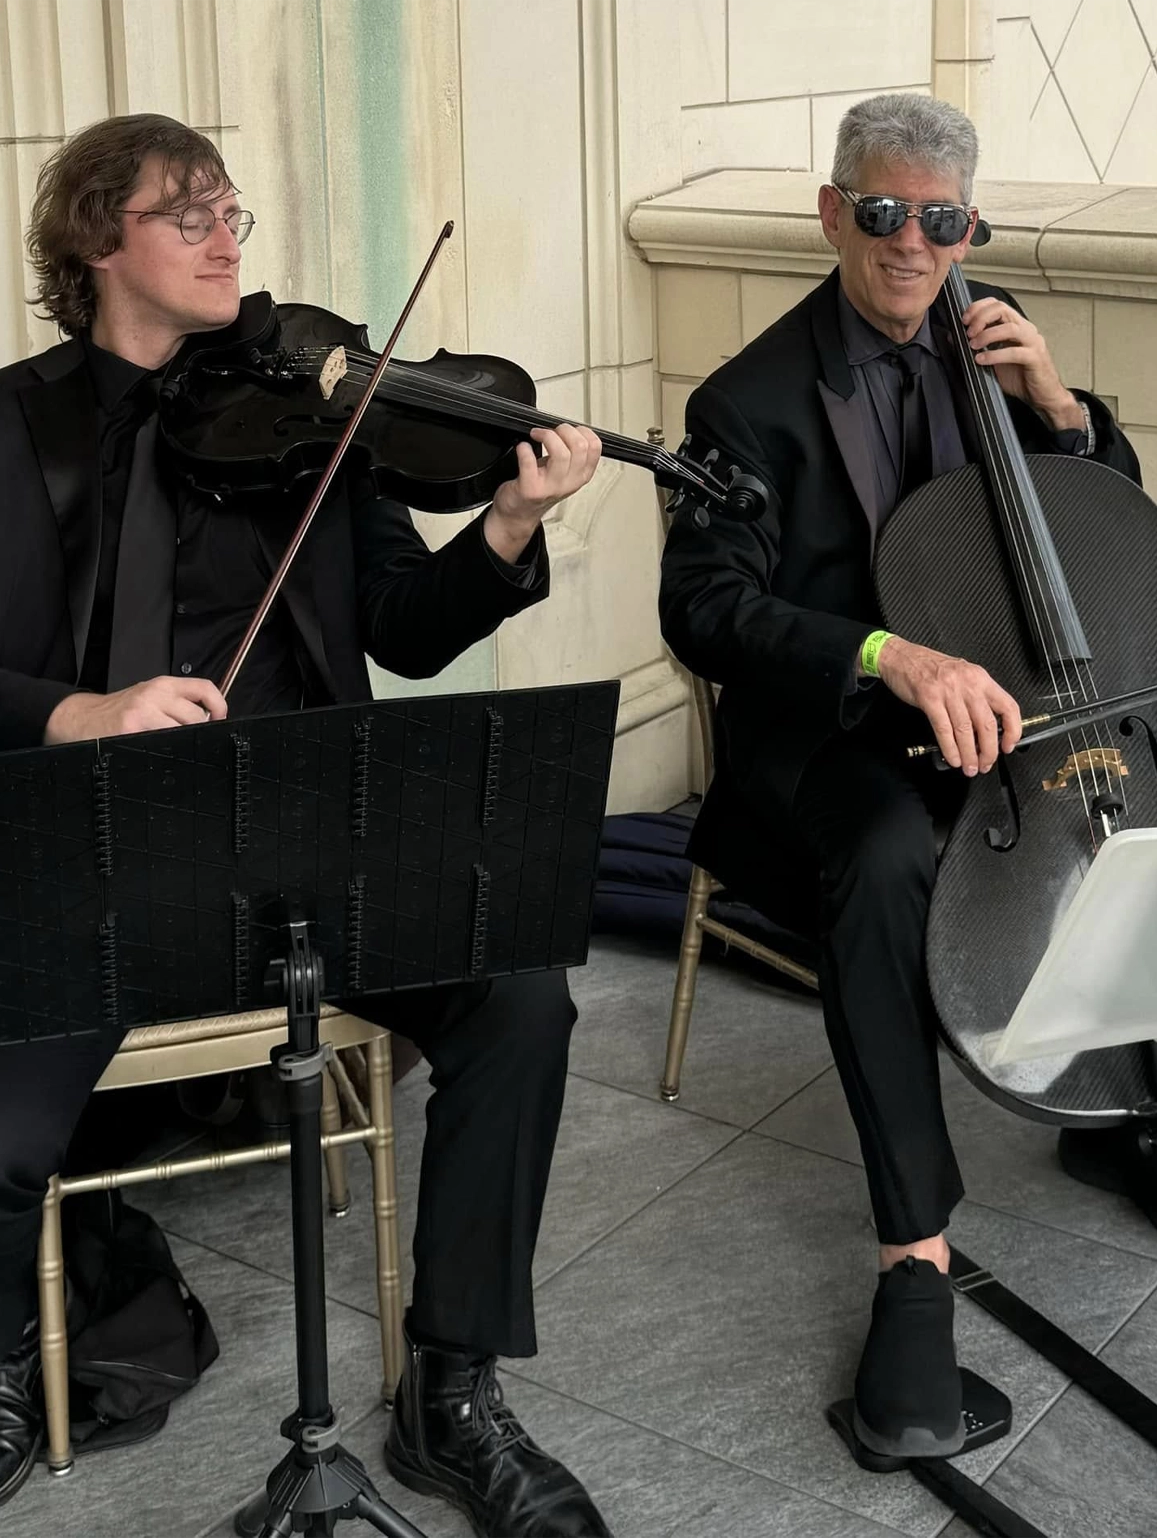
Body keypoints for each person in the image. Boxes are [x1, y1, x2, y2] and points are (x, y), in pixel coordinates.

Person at [0, 112, 613, 1538]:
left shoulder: (313, 419)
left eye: (234, 211)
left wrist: (508, 530)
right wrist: (77, 713)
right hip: (98, 853)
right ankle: (7, 1363)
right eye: (189, 214)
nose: (228, 238)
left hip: (310, 845)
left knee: (520, 997)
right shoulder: (13, 425)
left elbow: (403, 626)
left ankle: (452, 1391)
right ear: (98, 242)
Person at [659, 92, 1141, 1459]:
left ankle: (1126, 1107)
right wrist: (886, 655)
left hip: (1006, 718)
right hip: (835, 736)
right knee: (884, 858)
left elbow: (1105, 525)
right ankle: (914, 1255)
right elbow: (702, 608)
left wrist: (1059, 407)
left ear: (970, 228)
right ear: (834, 213)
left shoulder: (992, 351)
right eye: (883, 212)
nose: (913, 244)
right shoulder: (746, 400)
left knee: (1133, 804)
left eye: (944, 221)